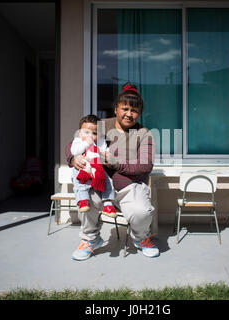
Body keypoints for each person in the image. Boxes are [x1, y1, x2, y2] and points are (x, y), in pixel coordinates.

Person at [66, 82, 159, 261]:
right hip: (99, 186)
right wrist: (72, 158)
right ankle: (91, 239)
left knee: (141, 212)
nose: (129, 114)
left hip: (129, 187)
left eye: (134, 110)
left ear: (139, 113)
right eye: (125, 108)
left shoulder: (144, 133)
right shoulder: (101, 125)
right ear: (116, 108)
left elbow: (145, 166)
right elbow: (74, 143)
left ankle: (141, 238)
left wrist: (116, 164)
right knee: (85, 200)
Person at [70, 114, 117, 218]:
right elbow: (74, 151)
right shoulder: (78, 140)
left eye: (94, 133)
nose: (90, 136)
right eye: (86, 132)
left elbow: (105, 151)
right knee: (79, 182)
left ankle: (108, 204)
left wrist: (106, 155)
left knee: (108, 181)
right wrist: (86, 143)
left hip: (97, 167)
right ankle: (83, 200)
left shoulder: (100, 141)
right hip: (83, 167)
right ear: (79, 132)